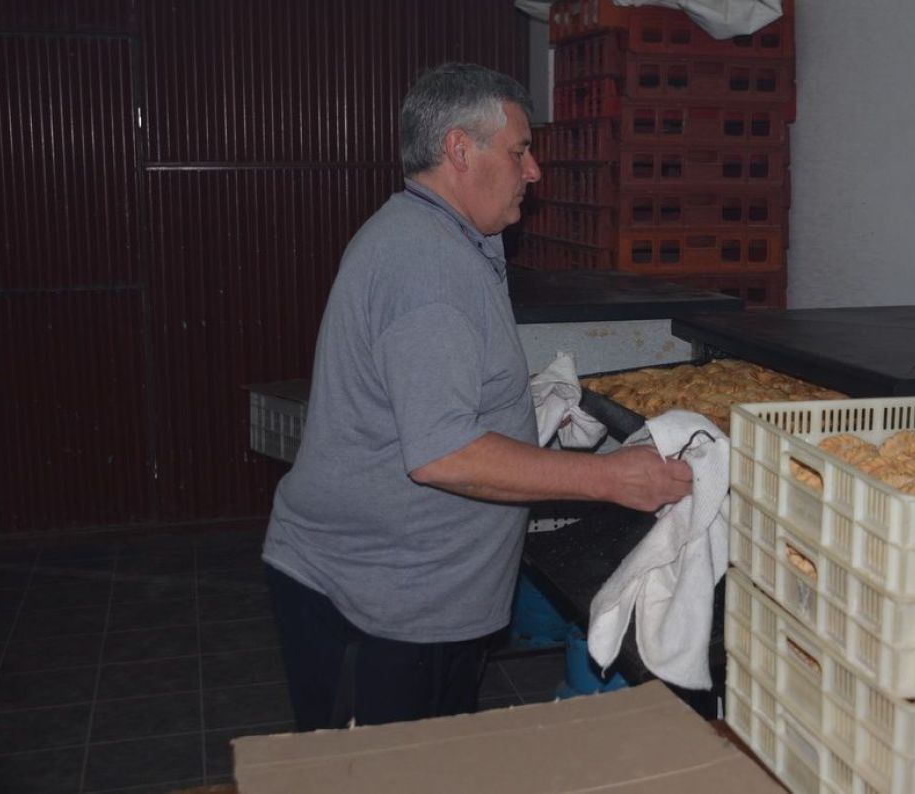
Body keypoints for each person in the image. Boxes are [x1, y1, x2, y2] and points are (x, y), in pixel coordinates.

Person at [262, 62, 693, 732]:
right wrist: (611, 477)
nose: (534, 173)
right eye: (520, 151)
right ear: (460, 149)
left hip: (416, 597)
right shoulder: (427, 265)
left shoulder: (446, 237)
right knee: (375, 781)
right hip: (375, 601)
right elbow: (444, 454)